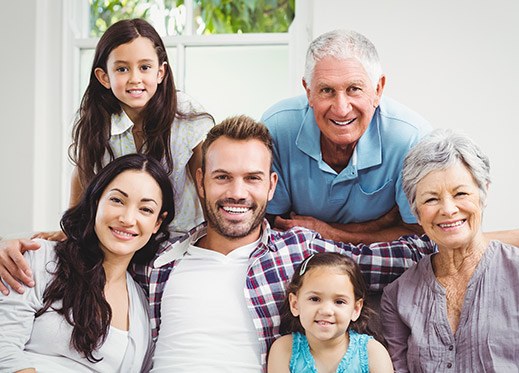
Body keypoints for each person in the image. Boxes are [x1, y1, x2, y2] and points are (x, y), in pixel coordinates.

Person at [1, 117, 518, 372]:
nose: (236, 192)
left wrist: (485, 233)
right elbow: (106, 241)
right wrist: (33, 241)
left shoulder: (301, 252)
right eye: (222, 177)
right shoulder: (157, 257)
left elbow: (427, 242)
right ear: (199, 182)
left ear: (271, 187)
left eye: (252, 178)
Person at [34, 18, 213, 241]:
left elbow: (205, 180)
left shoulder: (185, 114)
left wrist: (213, 237)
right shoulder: (97, 118)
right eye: (122, 69)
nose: (134, 79)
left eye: (145, 67)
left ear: (160, 72)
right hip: (123, 238)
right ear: (104, 77)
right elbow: (82, 174)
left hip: (181, 236)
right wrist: (71, 232)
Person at [0, 153, 175, 372]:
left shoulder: (142, 306)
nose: (128, 219)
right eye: (117, 200)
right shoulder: (40, 257)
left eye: (146, 209)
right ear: (96, 201)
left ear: (157, 222)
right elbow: (4, 349)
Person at [261, 29, 431, 244]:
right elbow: (272, 224)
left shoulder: (411, 138)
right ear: (308, 91)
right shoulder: (276, 128)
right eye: (326, 90)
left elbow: (419, 233)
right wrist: (379, 224)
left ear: (378, 89)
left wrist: (326, 232)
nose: (341, 109)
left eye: (354, 89)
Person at [380, 129, 519, 372]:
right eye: (431, 199)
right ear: (416, 211)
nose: (448, 209)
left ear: (483, 194)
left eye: (461, 193)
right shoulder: (397, 296)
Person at [267, 252, 393, 373]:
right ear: (295, 304)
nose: (326, 311)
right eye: (315, 299)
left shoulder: (373, 352)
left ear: (356, 309)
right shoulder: (284, 349)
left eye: (339, 302)